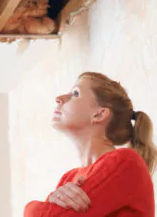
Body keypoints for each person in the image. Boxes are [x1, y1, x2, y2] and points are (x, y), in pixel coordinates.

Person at [24, 72, 156, 216]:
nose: (59, 99)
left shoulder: (125, 161)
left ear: (99, 114)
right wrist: (50, 200)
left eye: (75, 93)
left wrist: (30, 208)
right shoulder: (68, 178)